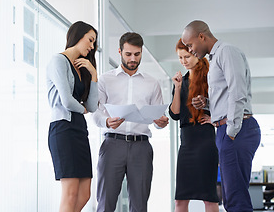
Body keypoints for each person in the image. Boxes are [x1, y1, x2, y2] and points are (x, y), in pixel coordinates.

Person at [181, 20, 261, 212]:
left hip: (236, 128)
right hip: (228, 128)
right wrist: (207, 103)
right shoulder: (216, 57)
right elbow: (226, 96)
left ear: (202, 36)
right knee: (232, 195)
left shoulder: (226, 52)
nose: (190, 51)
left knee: (235, 198)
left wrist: (231, 131)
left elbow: (237, 92)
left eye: (190, 45)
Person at [92, 32, 169, 212]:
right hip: (112, 144)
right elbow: (95, 113)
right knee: (105, 204)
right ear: (120, 51)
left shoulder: (152, 83)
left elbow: (157, 119)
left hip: (141, 148)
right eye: (128, 54)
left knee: (140, 205)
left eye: (137, 54)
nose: (133, 58)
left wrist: (161, 122)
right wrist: (107, 122)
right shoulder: (105, 80)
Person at [46, 21, 98, 212]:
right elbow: (66, 101)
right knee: (70, 193)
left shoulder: (83, 67)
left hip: (79, 130)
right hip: (63, 128)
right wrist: (82, 110)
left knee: (85, 194)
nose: (92, 46)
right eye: (90, 40)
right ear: (78, 35)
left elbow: (92, 105)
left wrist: (93, 74)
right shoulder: (58, 60)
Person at [169, 39, 219, 212]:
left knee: (209, 198)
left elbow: (224, 106)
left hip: (206, 141)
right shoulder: (180, 81)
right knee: (180, 200)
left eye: (187, 56)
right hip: (187, 143)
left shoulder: (211, 78)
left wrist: (214, 120)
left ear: (196, 54)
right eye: (180, 57)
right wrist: (177, 87)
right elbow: (175, 114)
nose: (183, 61)